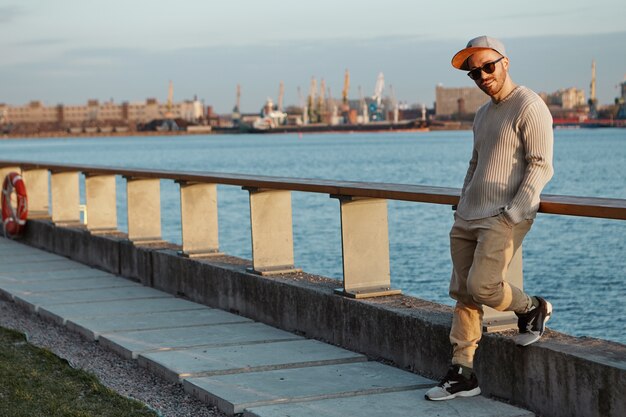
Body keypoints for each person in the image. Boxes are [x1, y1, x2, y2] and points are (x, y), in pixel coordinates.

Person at [425, 36, 555, 401]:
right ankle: (462, 372)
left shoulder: (529, 105)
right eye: (473, 72)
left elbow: (541, 165)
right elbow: (475, 164)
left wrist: (514, 212)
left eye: (487, 66)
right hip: (468, 215)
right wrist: (462, 203)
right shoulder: (482, 114)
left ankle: (532, 307)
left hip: (502, 216)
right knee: (464, 293)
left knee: (484, 286)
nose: (481, 75)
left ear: (505, 62)